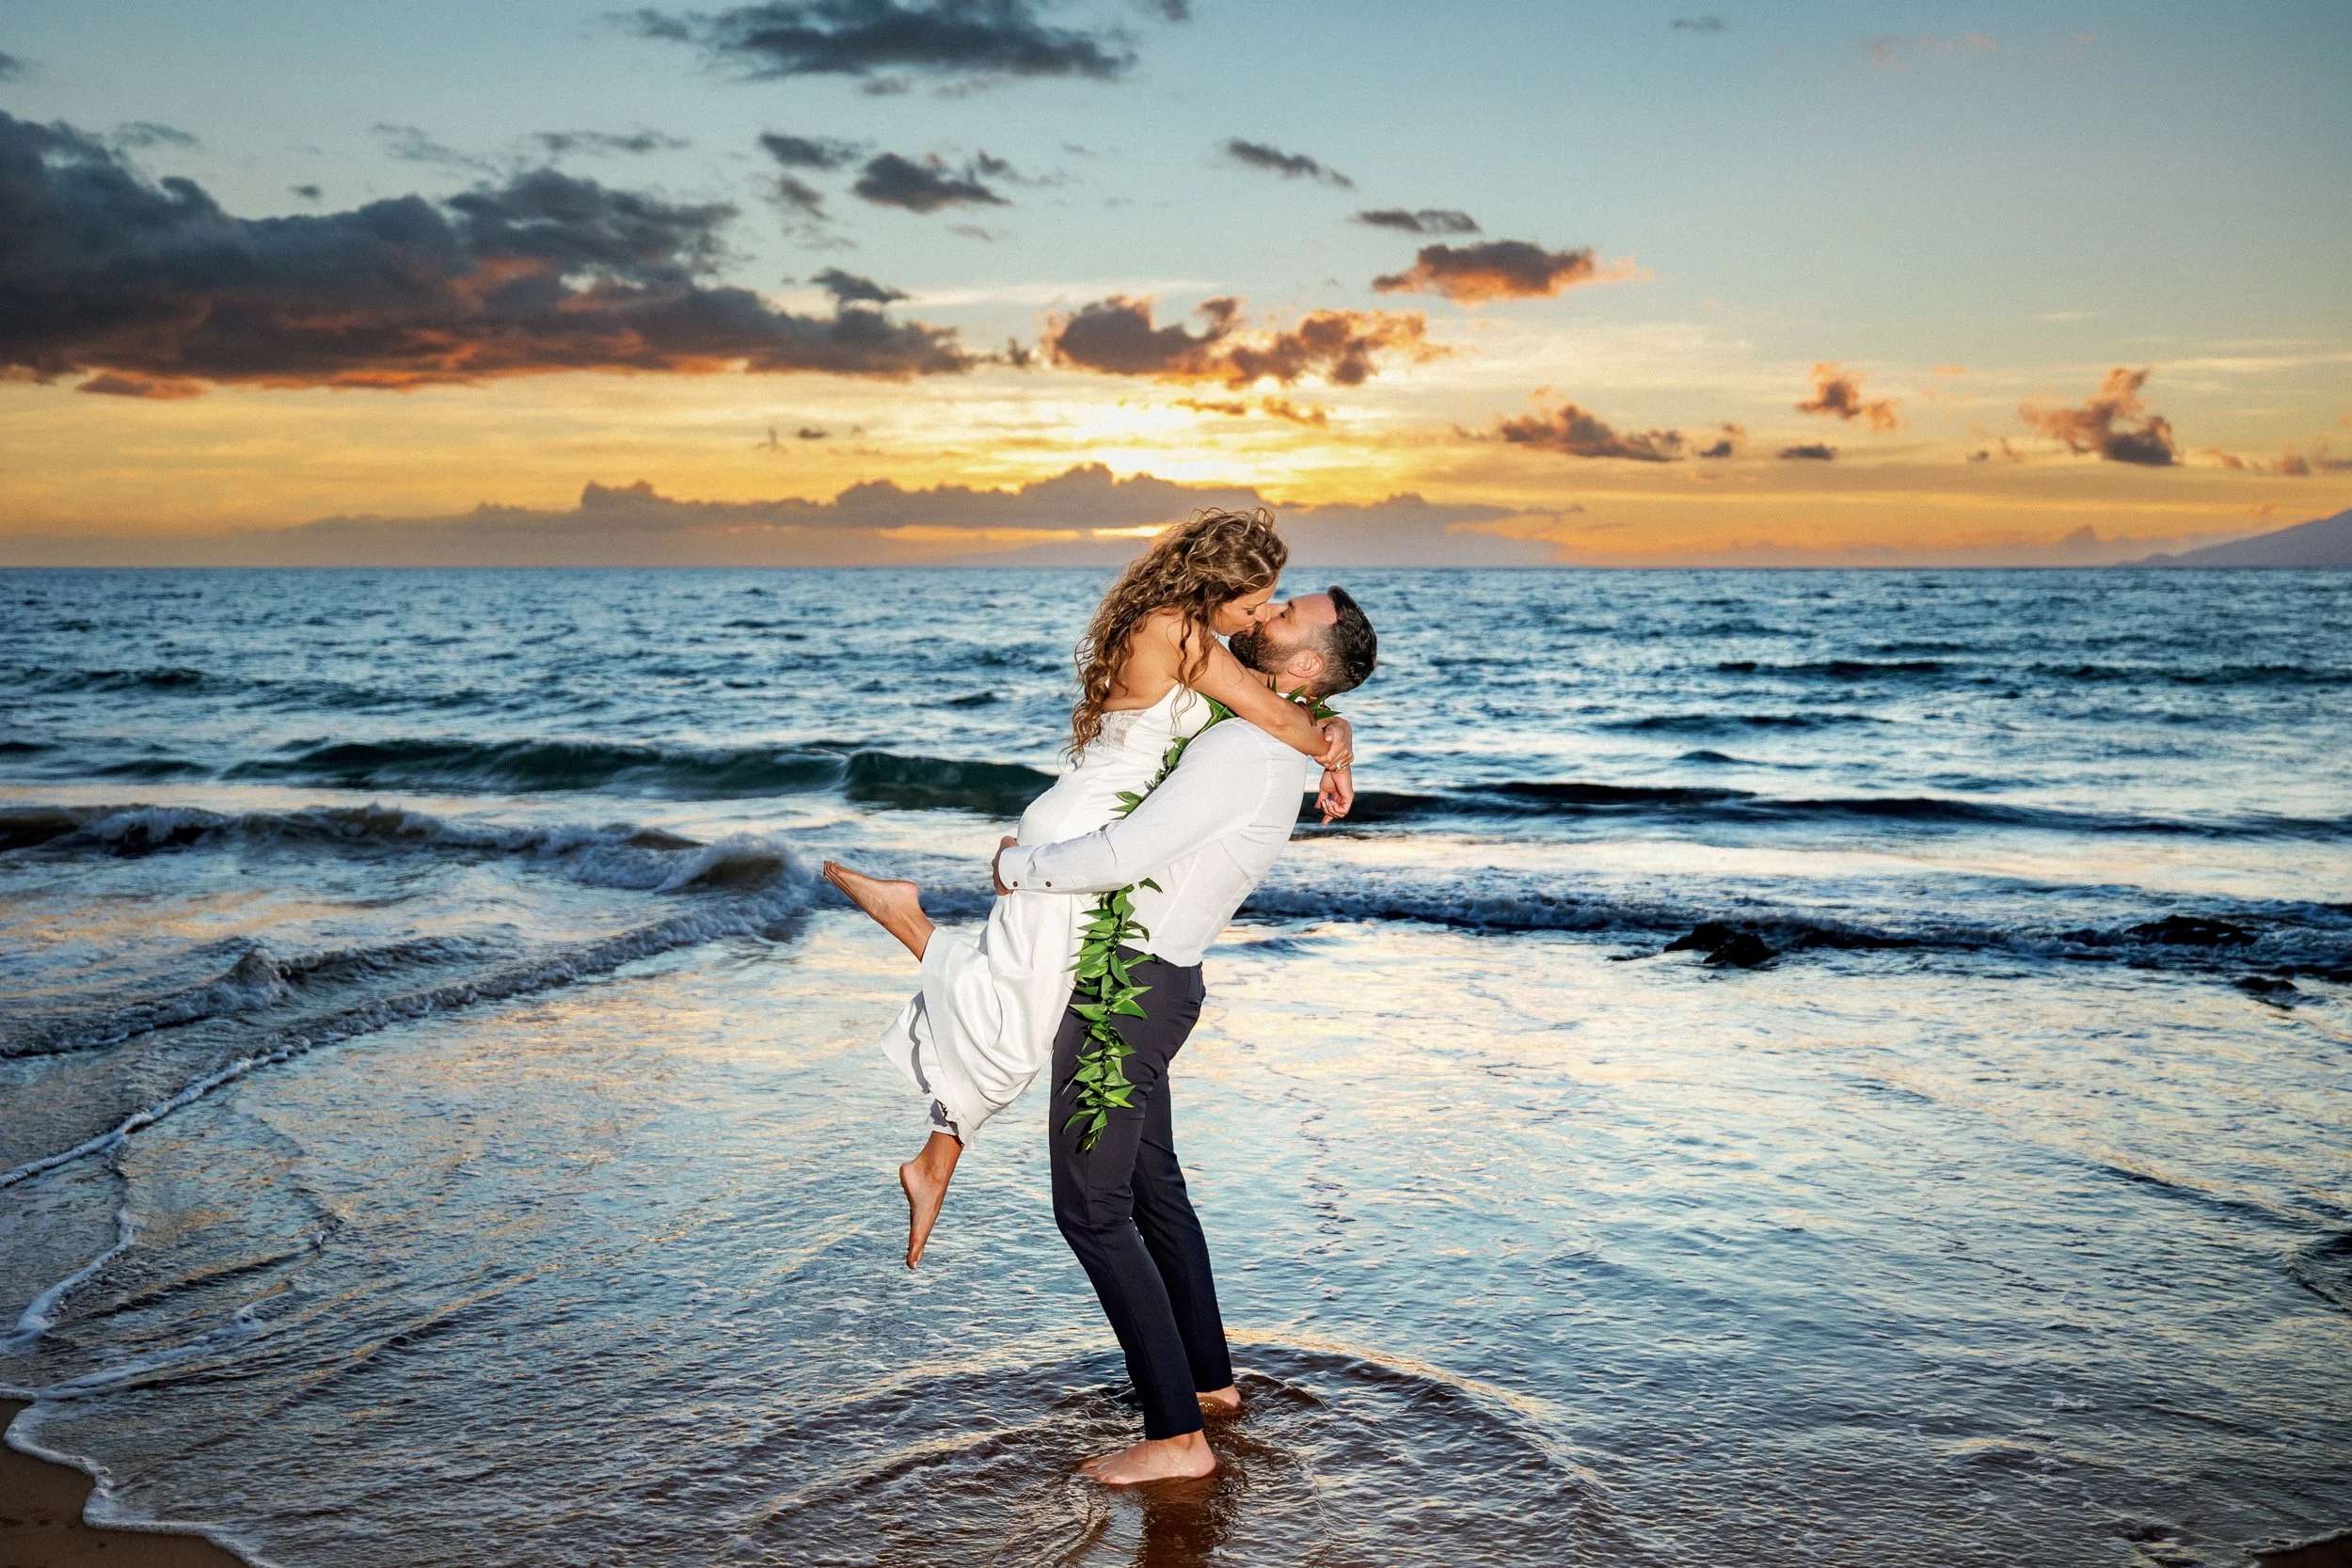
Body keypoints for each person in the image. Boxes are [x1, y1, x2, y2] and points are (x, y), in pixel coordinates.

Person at [821, 509, 1354, 1269]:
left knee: (1024, 1010)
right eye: (1254, 600)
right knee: (1016, 1033)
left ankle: (935, 1162)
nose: (1258, 615)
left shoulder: (1175, 625)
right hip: (1084, 834)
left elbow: (1288, 705)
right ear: (1217, 587)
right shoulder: (1183, 635)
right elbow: (1278, 712)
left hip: (1075, 822)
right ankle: (910, 923)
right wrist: (1335, 753)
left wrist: (1342, 736)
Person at [993, 582, 1378, 1485]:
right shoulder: (1272, 730)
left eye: (1284, 615)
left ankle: (1176, 1437)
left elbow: (1127, 855)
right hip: (1158, 982)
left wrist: (1020, 866)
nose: (1262, 614)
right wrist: (1338, 738)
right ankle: (1208, 1385)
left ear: (1308, 666)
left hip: (1127, 993)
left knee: (1091, 1207)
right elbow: (1273, 710)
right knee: (1152, 1187)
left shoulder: (1249, 746)